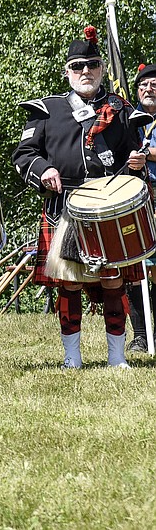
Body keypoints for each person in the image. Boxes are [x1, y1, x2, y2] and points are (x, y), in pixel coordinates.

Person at [12, 26, 149, 369]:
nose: (85, 71)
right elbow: (23, 155)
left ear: (102, 69)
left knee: (114, 279)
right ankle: (72, 357)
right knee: (69, 281)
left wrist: (136, 161)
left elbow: (132, 157)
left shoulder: (123, 110)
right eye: (77, 66)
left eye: (91, 65)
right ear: (67, 72)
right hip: (65, 208)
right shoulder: (47, 109)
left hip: (110, 207)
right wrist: (43, 169)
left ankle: (117, 357)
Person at [125, 62, 156, 351]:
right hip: (134, 200)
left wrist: (147, 154)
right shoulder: (128, 118)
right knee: (136, 269)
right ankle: (140, 336)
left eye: (155, 86)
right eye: (144, 86)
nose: (149, 90)